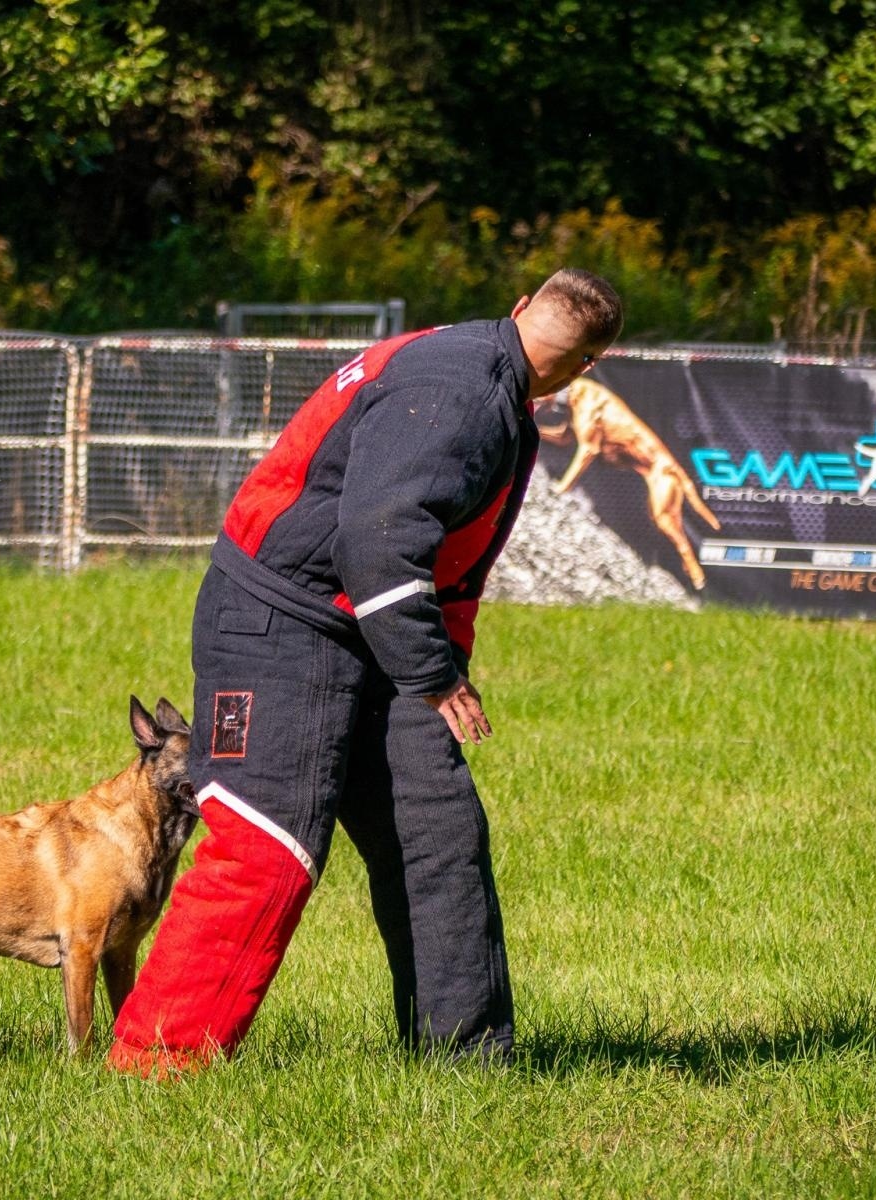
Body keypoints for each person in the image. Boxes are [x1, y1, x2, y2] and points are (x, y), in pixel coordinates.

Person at [108, 269, 624, 1076]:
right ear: (588, 367)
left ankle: (465, 1068)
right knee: (265, 845)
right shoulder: (464, 394)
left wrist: (432, 667)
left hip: (370, 626)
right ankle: (155, 1064)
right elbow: (379, 540)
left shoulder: (479, 369)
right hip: (280, 617)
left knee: (436, 836)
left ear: (521, 305)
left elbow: (433, 561)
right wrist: (437, 675)